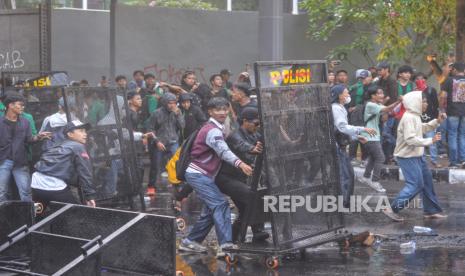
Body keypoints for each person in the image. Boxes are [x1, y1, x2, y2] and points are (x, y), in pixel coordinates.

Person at [179, 97, 252, 257]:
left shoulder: (217, 127)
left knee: (211, 210)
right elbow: (223, 151)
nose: (222, 112)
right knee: (220, 204)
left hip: (202, 174)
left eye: (225, 109)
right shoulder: (212, 130)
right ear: (210, 111)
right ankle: (225, 245)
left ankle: (190, 242)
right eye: (218, 109)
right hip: (199, 174)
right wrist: (240, 164)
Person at [382, 91, 447, 221]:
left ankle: (430, 211)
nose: (426, 104)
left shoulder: (415, 116)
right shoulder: (409, 117)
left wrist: (436, 122)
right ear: (415, 102)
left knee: (427, 181)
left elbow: (420, 129)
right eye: (423, 101)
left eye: (425, 101)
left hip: (417, 154)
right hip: (407, 156)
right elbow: (410, 139)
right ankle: (392, 209)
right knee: (416, 184)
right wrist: (430, 141)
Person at [215, 107, 269, 244]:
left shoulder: (255, 134)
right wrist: (253, 149)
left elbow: (266, 141)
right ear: (245, 121)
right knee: (252, 198)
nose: (257, 127)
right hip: (227, 178)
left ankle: (237, 238)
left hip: (242, 178)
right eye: (256, 124)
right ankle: (255, 231)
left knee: (246, 209)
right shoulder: (235, 135)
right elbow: (241, 145)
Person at [31, 120, 96, 208]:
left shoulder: (60, 144)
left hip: (36, 182)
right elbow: (85, 172)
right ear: (70, 134)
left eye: (85, 131)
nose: (85, 134)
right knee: (74, 214)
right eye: (81, 131)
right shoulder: (78, 146)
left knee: (38, 214)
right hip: (53, 185)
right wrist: (89, 196)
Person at [0, 93, 51, 202]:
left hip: (20, 161)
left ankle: (29, 216)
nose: (23, 107)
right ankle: (3, 216)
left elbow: (28, 140)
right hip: (3, 161)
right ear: (10, 105)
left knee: (25, 192)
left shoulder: (25, 122)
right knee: (1, 192)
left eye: (23, 105)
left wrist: (38, 137)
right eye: (20, 105)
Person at [331, 85, 376, 207]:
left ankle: (344, 203)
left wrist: (356, 137)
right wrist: (362, 129)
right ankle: (343, 204)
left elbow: (342, 130)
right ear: (339, 95)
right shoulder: (336, 108)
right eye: (346, 93)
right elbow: (342, 127)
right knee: (346, 175)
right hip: (337, 147)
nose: (348, 95)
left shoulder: (340, 107)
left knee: (347, 175)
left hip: (340, 145)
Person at [358, 85, 402, 192]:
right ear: (373, 95)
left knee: (374, 158)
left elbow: (385, 116)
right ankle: (375, 181)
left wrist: (388, 109)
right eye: (379, 93)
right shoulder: (370, 104)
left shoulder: (376, 104)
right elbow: (387, 109)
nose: (382, 95)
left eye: (382, 93)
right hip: (370, 136)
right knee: (381, 158)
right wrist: (398, 101)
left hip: (373, 135)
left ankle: (366, 177)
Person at [147, 92, 185, 195]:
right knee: (155, 165)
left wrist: (178, 115)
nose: (172, 105)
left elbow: (182, 126)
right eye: (169, 103)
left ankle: (178, 184)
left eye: (174, 103)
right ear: (164, 103)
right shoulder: (156, 113)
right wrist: (157, 141)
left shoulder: (177, 112)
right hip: (159, 142)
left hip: (173, 141)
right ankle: (151, 186)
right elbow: (150, 129)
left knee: (177, 164)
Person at [440, 62, 465, 168]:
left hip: (452, 112)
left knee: (452, 135)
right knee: (462, 135)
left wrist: (441, 109)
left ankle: (453, 161)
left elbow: (443, 97)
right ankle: (462, 159)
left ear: (454, 70)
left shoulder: (449, 80)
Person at [415, 72, 441, 167]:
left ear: (425, 80)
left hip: (430, 120)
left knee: (432, 141)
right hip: (418, 121)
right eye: (417, 79)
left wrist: (436, 119)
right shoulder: (414, 92)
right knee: (420, 142)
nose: (419, 80)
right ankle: (422, 161)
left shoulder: (431, 90)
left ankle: (434, 160)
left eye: (422, 78)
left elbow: (436, 105)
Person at [348, 69, 372, 162]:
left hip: (366, 114)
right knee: (354, 135)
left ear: (370, 78)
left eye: (364, 78)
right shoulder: (354, 87)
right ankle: (352, 157)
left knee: (364, 135)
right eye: (360, 78)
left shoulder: (372, 88)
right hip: (355, 115)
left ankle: (365, 158)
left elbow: (370, 101)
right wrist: (351, 108)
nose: (362, 80)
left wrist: (357, 107)